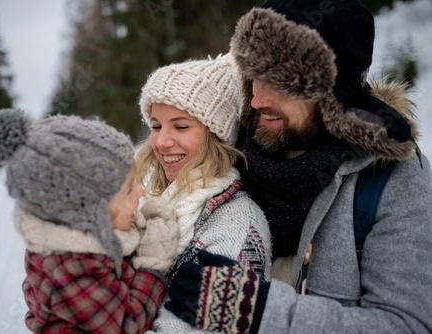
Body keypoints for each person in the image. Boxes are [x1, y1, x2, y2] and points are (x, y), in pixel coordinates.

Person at [166, 1, 432, 333]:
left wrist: (261, 313)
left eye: (280, 82)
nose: (258, 100)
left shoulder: (388, 179)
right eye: (254, 76)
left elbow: (406, 325)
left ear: (334, 94)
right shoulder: (225, 148)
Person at [0, 108, 179, 333]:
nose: (140, 192)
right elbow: (126, 324)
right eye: (128, 191)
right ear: (89, 215)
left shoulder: (88, 233)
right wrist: (152, 265)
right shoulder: (72, 267)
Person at [135, 53, 272, 332]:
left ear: (216, 135)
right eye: (156, 126)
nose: (161, 141)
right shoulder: (153, 204)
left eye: (181, 126)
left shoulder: (235, 227)